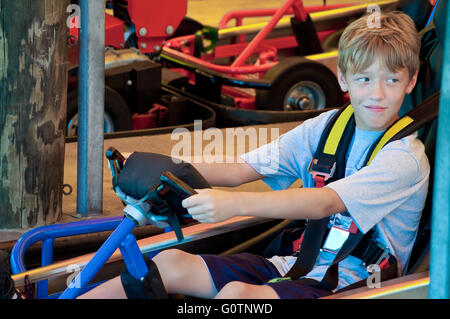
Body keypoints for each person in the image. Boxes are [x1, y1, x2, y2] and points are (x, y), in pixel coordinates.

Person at [80, 11, 429, 299]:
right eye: (365, 79)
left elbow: (324, 203)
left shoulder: (404, 158)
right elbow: (241, 168)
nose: (377, 93)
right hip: (296, 264)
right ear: (342, 79)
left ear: (411, 81)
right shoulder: (328, 127)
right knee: (170, 263)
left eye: (392, 80)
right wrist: (147, 164)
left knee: (238, 297)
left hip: (355, 284)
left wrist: (234, 205)